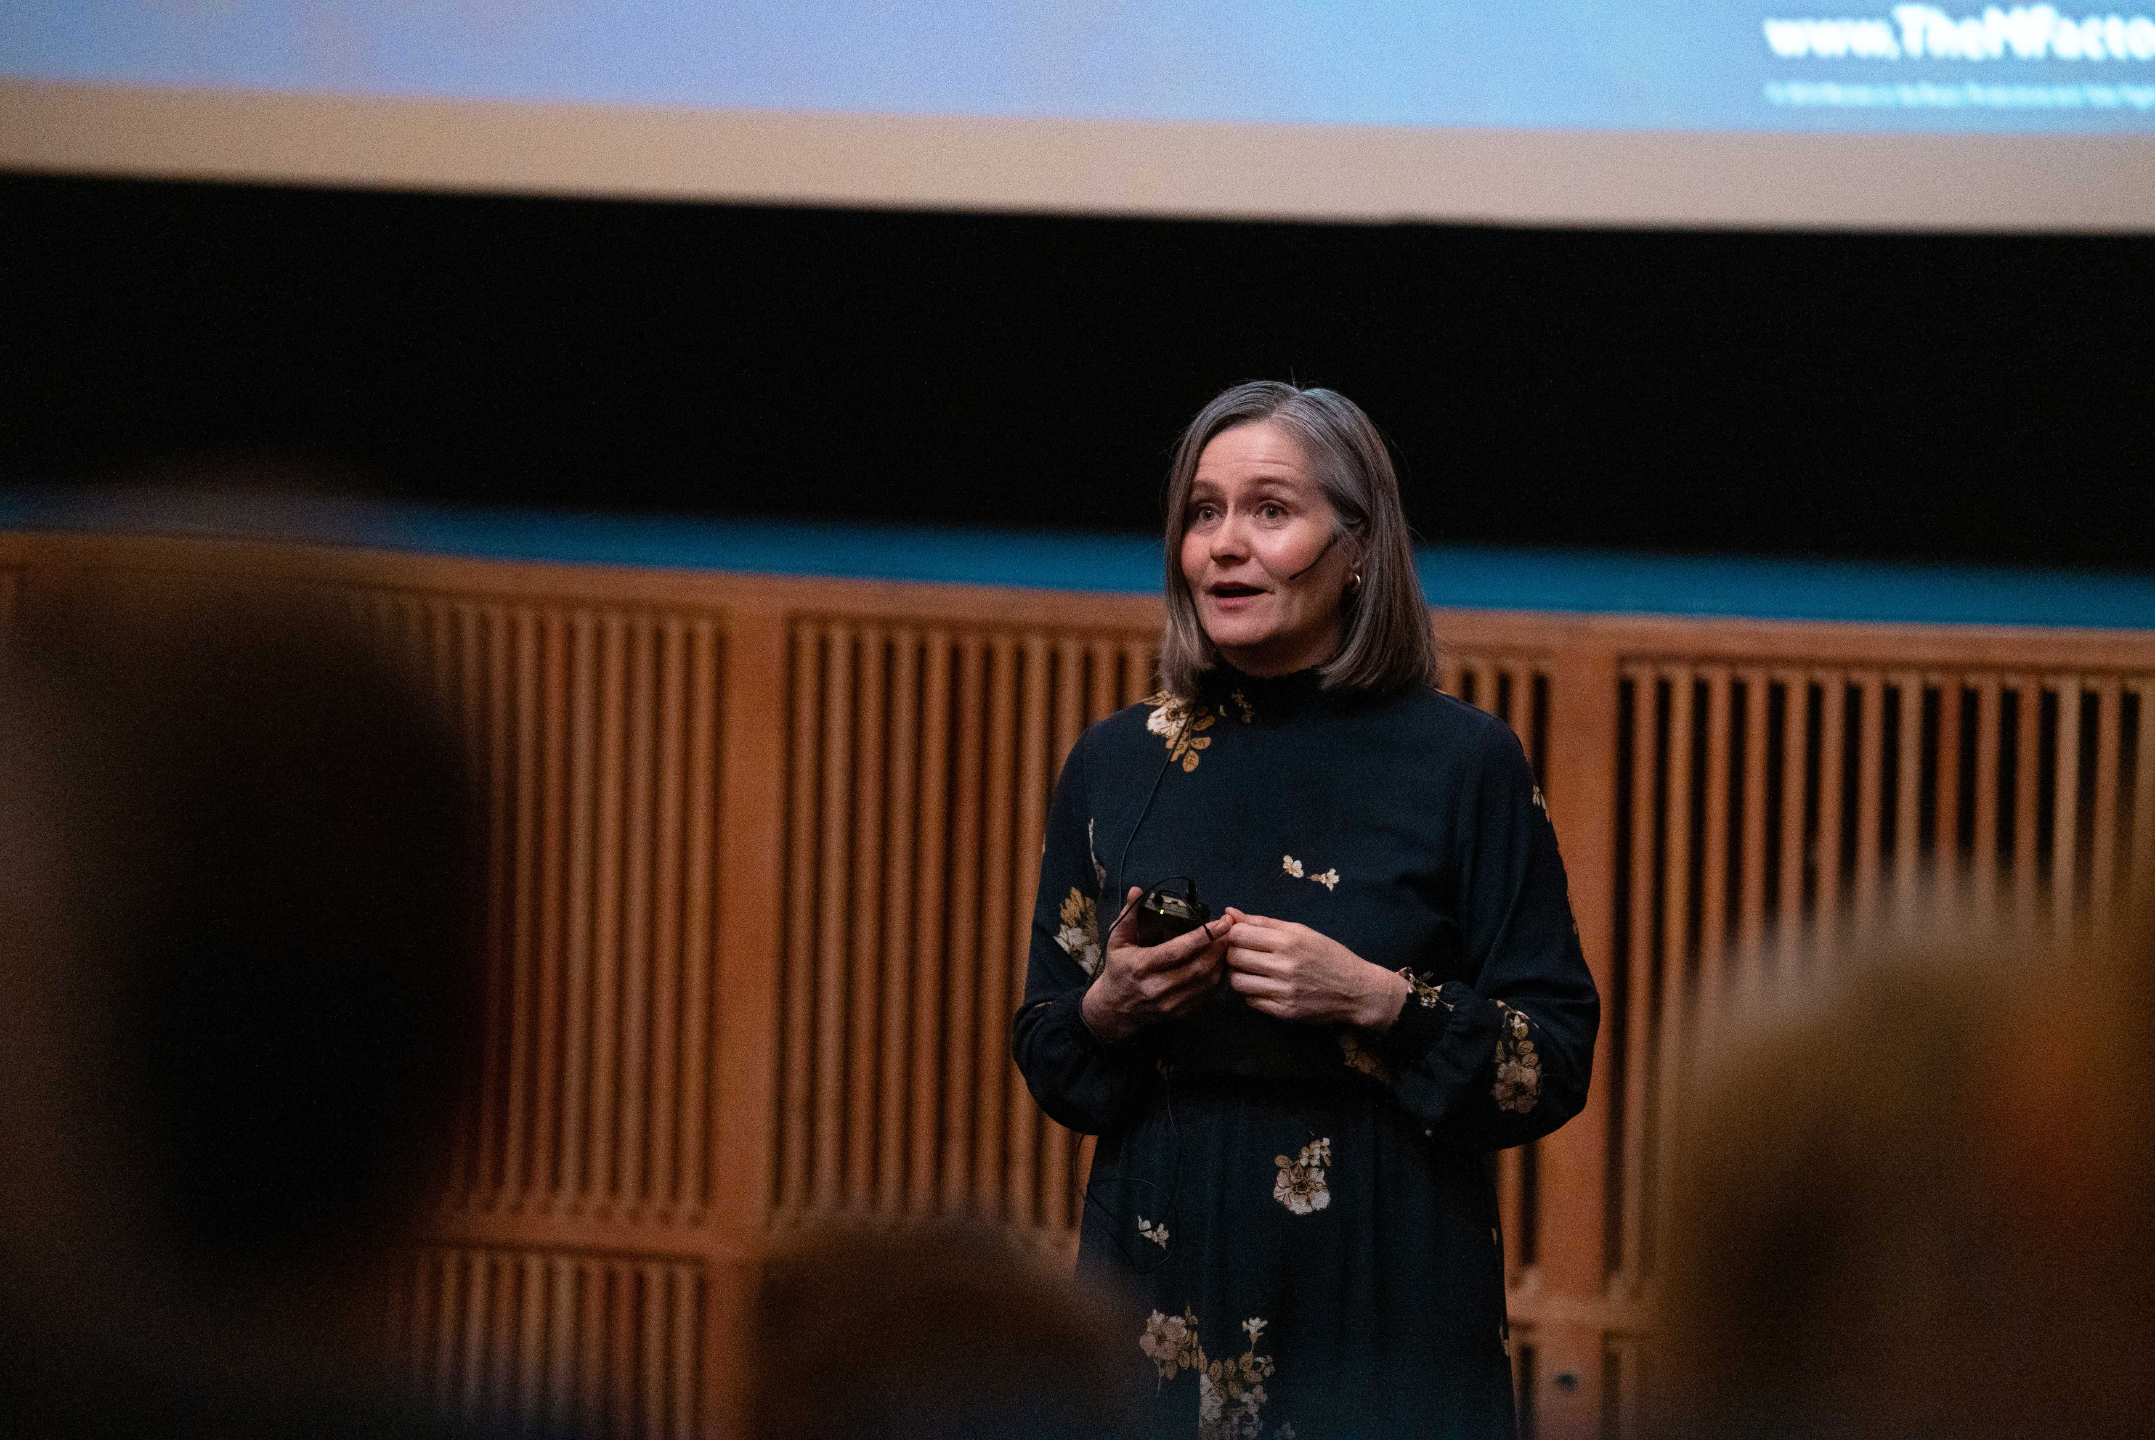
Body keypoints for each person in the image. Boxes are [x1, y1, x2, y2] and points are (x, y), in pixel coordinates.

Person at [1011, 382, 1600, 1439]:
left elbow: (1549, 1061)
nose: (1225, 545)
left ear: (1358, 547)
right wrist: (1110, 1008)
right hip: (1160, 1268)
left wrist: (1378, 1001)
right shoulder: (1115, 759)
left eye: (1270, 510)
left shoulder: (1464, 761)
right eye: (1203, 512)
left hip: (1385, 1277)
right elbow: (1050, 1048)